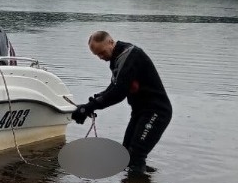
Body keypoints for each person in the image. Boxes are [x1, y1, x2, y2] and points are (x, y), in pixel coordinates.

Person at [71, 31, 172, 174]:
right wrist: (92, 103)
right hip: (140, 112)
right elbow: (113, 87)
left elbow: (119, 93)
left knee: (136, 156)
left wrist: (89, 107)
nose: (101, 57)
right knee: (126, 156)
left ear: (111, 42)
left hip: (156, 112)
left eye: (102, 52)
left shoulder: (130, 56)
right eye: (97, 55)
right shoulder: (118, 58)